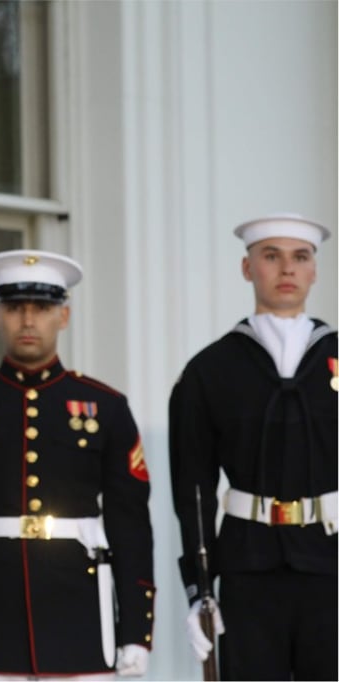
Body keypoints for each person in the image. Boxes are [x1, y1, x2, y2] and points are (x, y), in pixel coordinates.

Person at [0, 249, 155, 679]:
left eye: (43, 308)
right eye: (14, 308)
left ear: (63, 317)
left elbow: (131, 525)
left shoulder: (106, 407)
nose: (28, 321)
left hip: (81, 613)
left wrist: (136, 631)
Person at [168, 213, 337, 681]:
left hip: (332, 562)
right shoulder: (210, 370)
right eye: (271, 256)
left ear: (314, 271)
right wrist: (199, 587)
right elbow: (194, 486)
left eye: (299, 257)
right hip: (248, 564)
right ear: (248, 269)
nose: (286, 270)